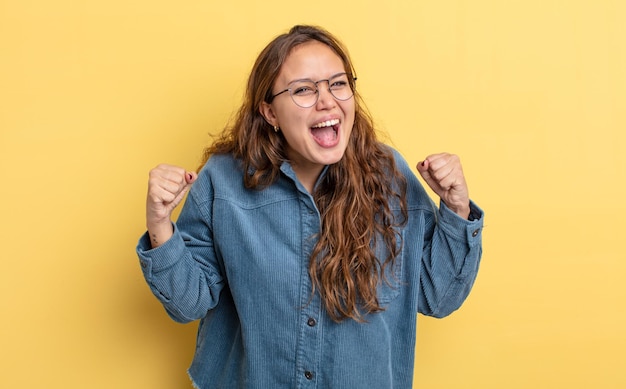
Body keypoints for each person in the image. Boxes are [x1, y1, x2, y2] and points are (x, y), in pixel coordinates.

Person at [137, 25, 484, 389]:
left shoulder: (389, 175)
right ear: (269, 112)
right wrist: (160, 223)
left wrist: (456, 208)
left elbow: (437, 296)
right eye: (304, 89)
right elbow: (188, 304)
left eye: (338, 83)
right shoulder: (221, 181)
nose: (327, 101)